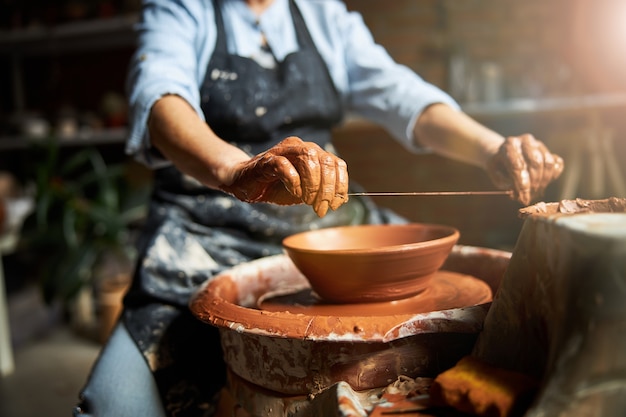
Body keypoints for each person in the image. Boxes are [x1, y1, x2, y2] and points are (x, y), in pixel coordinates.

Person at [74, 0, 564, 416]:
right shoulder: (185, 9)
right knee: (112, 402)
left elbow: (402, 96)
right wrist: (237, 171)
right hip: (204, 232)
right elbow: (161, 101)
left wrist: (493, 149)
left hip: (325, 226)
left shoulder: (319, 12)